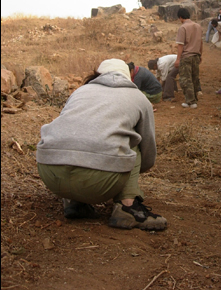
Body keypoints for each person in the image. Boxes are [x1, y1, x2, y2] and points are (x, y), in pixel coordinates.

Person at [36, 58, 167, 231]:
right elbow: (148, 153)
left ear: (98, 74)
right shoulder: (138, 98)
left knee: (79, 133)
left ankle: (75, 203)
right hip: (97, 183)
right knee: (132, 140)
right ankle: (128, 207)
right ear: (128, 77)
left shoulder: (80, 91)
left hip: (50, 174)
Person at [175, 8, 203, 109]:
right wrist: (200, 54)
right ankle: (194, 99)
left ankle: (190, 101)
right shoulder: (198, 26)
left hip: (186, 56)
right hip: (196, 55)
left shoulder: (183, 28)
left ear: (180, 17)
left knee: (185, 79)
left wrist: (178, 59)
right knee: (195, 78)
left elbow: (180, 45)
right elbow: (201, 42)